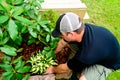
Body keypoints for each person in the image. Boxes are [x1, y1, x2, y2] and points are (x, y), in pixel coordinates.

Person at [45, 12, 120, 80]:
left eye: (62, 35)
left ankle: (78, 70)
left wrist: (52, 69)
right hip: (101, 50)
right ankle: (78, 67)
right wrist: (53, 53)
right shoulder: (82, 29)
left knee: (82, 78)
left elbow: (66, 68)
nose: (61, 37)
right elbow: (63, 42)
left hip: (107, 64)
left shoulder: (86, 54)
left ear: (71, 34)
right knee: (70, 44)